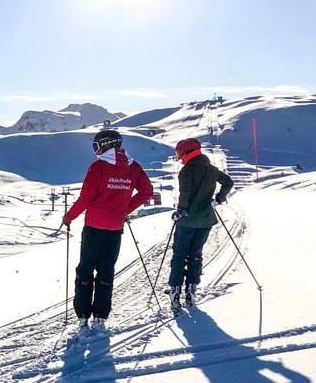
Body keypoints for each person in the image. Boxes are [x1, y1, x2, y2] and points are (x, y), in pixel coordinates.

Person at [63, 129, 153, 332]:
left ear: (104, 145)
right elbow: (147, 192)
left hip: (94, 227)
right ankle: (100, 317)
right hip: (115, 228)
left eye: (96, 146)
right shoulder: (134, 167)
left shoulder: (98, 167)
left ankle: (83, 315)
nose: (95, 151)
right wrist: (123, 210)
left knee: (85, 269)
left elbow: (85, 199)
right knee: (106, 270)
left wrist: (69, 217)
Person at [168, 137, 233, 311]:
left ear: (186, 152)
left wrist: (180, 211)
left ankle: (175, 291)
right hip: (206, 220)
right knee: (196, 254)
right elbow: (228, 182)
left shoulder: (186, 171)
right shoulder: (211, 170)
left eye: (179, 153)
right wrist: (219, 198)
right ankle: (191, 289)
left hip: (187, 221)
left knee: (180, 255)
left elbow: (185, 194)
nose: (179, 157)